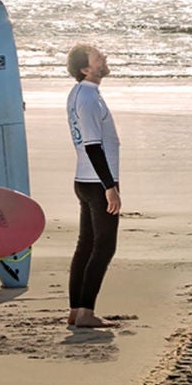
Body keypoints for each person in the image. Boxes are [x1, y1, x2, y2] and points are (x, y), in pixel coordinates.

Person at [66, 44, 121, 329]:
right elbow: (92, 145)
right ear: (85, 69)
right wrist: (110, 186)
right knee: (104, 246)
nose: (104, 58)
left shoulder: (82, 93)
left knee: (86, 246)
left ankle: (76, 310)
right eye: (98, 57)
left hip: (86, 179)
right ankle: (86, 311)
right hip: (97, 181)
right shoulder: (87, 96)